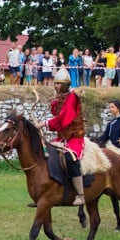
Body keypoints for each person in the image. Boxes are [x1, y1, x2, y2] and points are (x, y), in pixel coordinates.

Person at [39, 67, 86, 205]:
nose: (57, 86)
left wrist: (44, 124)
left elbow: (64, 118)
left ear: (65, 84)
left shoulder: (72, 97)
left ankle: (80, 195)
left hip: (74, 138)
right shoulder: (62, 97)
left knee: (69, 157)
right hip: (62, 138)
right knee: (47, 151)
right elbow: (55, 112)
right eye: (56, 83)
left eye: (59, 84)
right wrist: (55, 100)